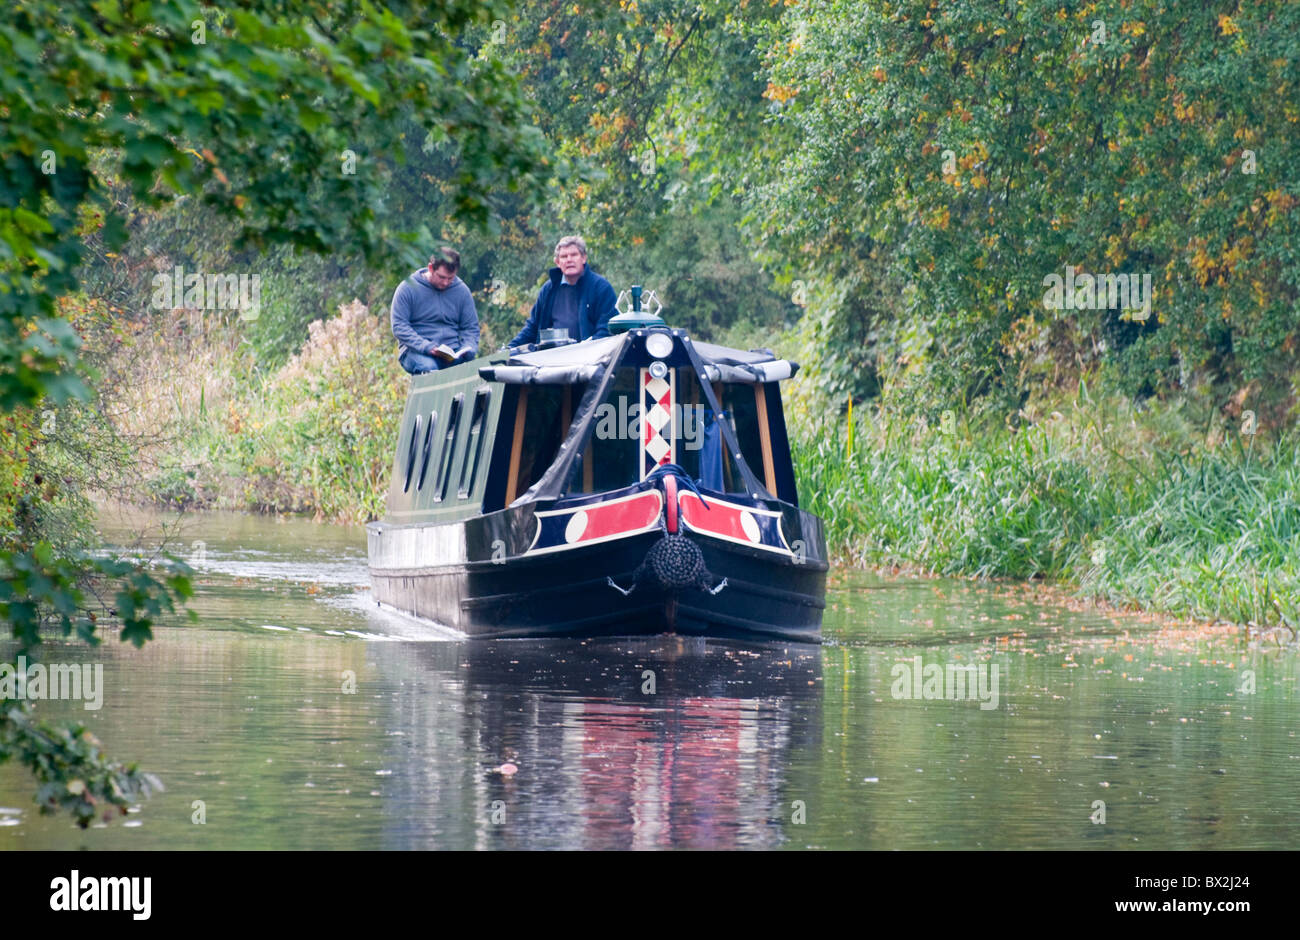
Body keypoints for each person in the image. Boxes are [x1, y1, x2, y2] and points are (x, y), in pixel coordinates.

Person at [508, 236, 617, 348]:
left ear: (584, 258)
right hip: (551, 360)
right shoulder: (548, 289)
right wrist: (509, 349)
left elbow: (607, 330)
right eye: (564, 256)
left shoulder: (601, 287)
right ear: (558, 262)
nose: (569, 259)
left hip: (590, 360)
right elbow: (532, 328)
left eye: (574, 255)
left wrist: (585, 349)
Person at [391, 247, 479, 374]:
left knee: (472, 369)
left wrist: (468, 349)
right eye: (441, 277)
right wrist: (427, 347)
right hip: (416, 351)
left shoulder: (462, 291)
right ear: (431, 268)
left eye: (450, 278)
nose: (445, 283)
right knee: (429, 368)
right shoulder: (408, 288)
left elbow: (471, 328)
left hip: (451, 352)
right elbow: (399, 326)